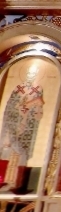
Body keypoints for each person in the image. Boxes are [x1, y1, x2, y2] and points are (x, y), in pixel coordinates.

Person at [0, 64, 44, 192]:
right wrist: (20, 109)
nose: (30, 76)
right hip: (13, 124)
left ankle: (15, 183)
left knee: (20, 153)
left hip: (27, 127)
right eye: (29, 74)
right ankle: (6, 181)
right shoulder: (18, 89)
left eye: (33, 74)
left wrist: (32, 109)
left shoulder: (38, 89)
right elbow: (10, 106)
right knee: (10, 151)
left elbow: (38, 109)